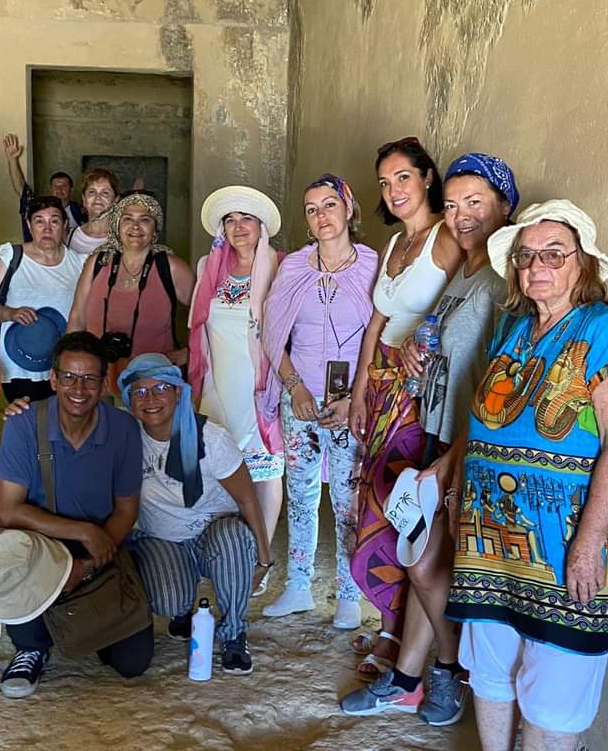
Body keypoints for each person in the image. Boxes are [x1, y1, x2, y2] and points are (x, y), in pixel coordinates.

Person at [432, 201, 608, 751]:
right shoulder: (514, 327)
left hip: (566, 537)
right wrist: (458, 479)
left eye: (554, 254)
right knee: (492, 661)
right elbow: (484, 420)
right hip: (493, 533)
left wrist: (589, 543)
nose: (537, 267)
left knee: (558, 674)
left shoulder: (605, 331)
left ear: (582, 264)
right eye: (526, 256)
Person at [341, 153, 518, 720]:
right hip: (439, 432)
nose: (462, 216)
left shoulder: (503, 281)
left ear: (504, 206)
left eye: (476, 203)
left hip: (470, 446)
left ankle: (449, 669)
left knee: (425, 566)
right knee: (424, 562)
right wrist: (418, 349)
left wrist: (454, 456)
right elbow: (443, 342)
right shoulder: (465, 272)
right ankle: (408, 677)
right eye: (454, 205)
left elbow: (502, 385)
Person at [347, 138, 463, 659]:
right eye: (384, 182)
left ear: (427, 178)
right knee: (373, 502)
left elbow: (463, 308)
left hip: (417, 394)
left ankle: (410, 643)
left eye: (403, 178)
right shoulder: (395, 243)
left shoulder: (447, 237)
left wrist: (424, 341)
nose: (393, 190)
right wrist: (359, 391)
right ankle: (392, 628)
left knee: (400, 509)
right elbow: (377, 322)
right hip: (381, 390)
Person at [0, 331, 152, 697]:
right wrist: (83, 532)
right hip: (39, 549)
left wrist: (90, 564)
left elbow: (126, 509)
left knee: (133, 663)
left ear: (104, 383)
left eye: (89, 379)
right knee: (9, 556)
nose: (78, 389)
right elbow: (8, 512)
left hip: (99, 549)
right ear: (53, 379)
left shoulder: (123, 428)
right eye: (68, 377)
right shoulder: (24, 423)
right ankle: (31, 647)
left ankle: (87, 627)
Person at [257, 175, 379, 628]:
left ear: (348, 209)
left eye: (329, 204)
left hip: (351, 404)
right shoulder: (294, 267)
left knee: (349, 499)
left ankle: (349, 593)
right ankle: (298, 586)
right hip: (301, 397)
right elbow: (273, 332)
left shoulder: (372, 266)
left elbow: (381, 338)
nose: (321, 215)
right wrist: (295, 388)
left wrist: (355, 399)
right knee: (301, 493)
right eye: (311, 209)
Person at [119, 353, 274, 675]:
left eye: (161, 388)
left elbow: (247, 500)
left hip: (214, 534)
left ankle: (234, 633)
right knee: (168, 599)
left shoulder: (210, 438)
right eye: (140, 391)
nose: (150, 399)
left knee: (233, 539)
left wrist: (263, 560)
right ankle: (182, 608)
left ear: (179, 392)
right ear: (129, 400)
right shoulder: (125, 439)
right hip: (163, 538)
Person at [188, 186, 285, 547]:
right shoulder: (209, 267)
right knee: (218, 465)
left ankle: (263, 551)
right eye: (230, 220)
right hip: (217, 381)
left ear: (261, 226)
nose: (239, 226)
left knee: (265, 468)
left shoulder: (280, 266)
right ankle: (226, 550)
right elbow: (199, 329)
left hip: (258, 383)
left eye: (247, 218)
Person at [67, 192, 195, 391]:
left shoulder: (170, 268)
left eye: (145, 220)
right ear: (117, 225)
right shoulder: (98, 263)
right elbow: (77, 319)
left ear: (155, 229)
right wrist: (71, 366)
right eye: (128, 219)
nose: (135, 226)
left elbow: (207, 316)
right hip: (97, 382)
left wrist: (190, 352)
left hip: (153, 388)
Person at [0, 196, 85, 403]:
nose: (47, 228)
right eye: (39, 221)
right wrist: (10, 313)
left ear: (65, 225)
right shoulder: (12, 256)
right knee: (25, 417)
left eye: (54, 221)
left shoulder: (79, 263)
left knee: (61, 419)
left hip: (63, 366)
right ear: (29, 225)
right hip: (17, 366)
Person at [2, 133, 83, 242]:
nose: (59, 189)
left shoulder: (81, 211)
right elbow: (22, 189)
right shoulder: (39, 208)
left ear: (71, 189)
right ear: (50, 189)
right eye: (56, 186)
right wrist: (13, 161)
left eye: (64, 186)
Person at [68, 168, 121, 256]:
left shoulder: (124, 238)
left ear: (116, 200)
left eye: (105, 193)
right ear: (84, 199)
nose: (98, 197)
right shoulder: (68, 237)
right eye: (92, 192)